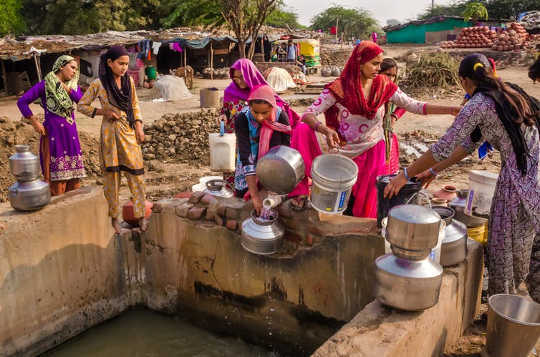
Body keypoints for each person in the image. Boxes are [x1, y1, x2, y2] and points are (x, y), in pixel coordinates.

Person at [384, 53, 540, 302]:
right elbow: (468, 144)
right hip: (534, 178)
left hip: (519, 185)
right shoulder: (509, 92)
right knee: (526, 243)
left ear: (464, 80)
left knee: (504, 246)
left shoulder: (478, 104)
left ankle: (503, 309)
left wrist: (404, 175)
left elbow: (443, 147)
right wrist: (432, 171)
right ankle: (516, 302)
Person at [290, 42, 460, 218]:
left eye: (380, 64)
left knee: (368, 200)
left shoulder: (383, 85)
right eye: (374, 63)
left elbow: (414, 105)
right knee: (302, 130)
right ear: (359, 63)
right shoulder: (340, 87)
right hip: (342, 146)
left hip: (372, 148)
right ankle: (301, 191)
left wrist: (449, 109)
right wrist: (325, 130)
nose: (378, 68)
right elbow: (308, 114)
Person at [77, 46, 148, 234]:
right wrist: (102, 112)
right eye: (121, 63)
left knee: (136, 176)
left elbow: (134, 104)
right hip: (109, 135)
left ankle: (141, 216)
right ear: (109, 63)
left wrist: (139, 126)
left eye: (126, 64)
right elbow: (81, 106)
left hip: (129, 132)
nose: (125, 67)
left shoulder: (129, 82)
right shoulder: (98, 84)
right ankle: (115, 219)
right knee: (112, 179)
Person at [17, 55, 86, 196]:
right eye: (72, 67)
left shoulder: (73, 86)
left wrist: (68, 89)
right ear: (61, 66)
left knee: (74, 183)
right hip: (54, 135)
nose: (74, 72)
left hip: (71, 136)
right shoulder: (45, 84)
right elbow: (22, 102)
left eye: (76, 69)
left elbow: (82, 102)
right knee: (56, 183)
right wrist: (34, 121)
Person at [234, 85, 291, 215]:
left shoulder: (281, 116)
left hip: (273, 163)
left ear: (273, 106)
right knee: (244, 197)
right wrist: (254, 195)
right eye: (255, 112)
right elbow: (245, 153)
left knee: (274, 200)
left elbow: (284, 151)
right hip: (248, 161)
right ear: (250, 107)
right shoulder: (243, 118)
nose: (259, 117)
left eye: (264, 113)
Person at [219, 58, 300, 134]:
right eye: (236, 77)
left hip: (256, 138)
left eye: (242, 77)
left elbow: (277, 108)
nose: (239, 81)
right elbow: (225, 110)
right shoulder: (230, 91)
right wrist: (223, 116)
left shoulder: (262, 91)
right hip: (233, 136)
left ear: (250, 74)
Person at [379, 58, 407, 175]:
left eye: (393, 76)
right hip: (370, 137)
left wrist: (394, 116)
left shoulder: (394, 90)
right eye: (387, 74)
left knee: (387, 173)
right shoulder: (370, 89)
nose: (390, 79)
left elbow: (406, 104)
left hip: (387, 134)